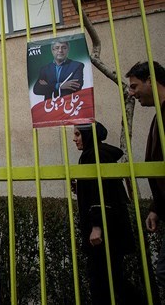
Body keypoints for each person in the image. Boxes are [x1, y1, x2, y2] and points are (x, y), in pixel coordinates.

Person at [72, 122, 137, 304]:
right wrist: (81, 188)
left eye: (78, 134)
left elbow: (103, 193)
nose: (74, 139)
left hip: (106, 232)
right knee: (111, 279)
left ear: (88, 135)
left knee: (105, 281)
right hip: (111, 229)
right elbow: (98, 189)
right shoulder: (96, 154)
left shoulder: (95, 155)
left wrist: (96, 226)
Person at [126, 61, 165, 291]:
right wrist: (156, 208)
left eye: (134, 86)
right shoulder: (157, 117)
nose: (131, 93)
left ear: (151, 80)